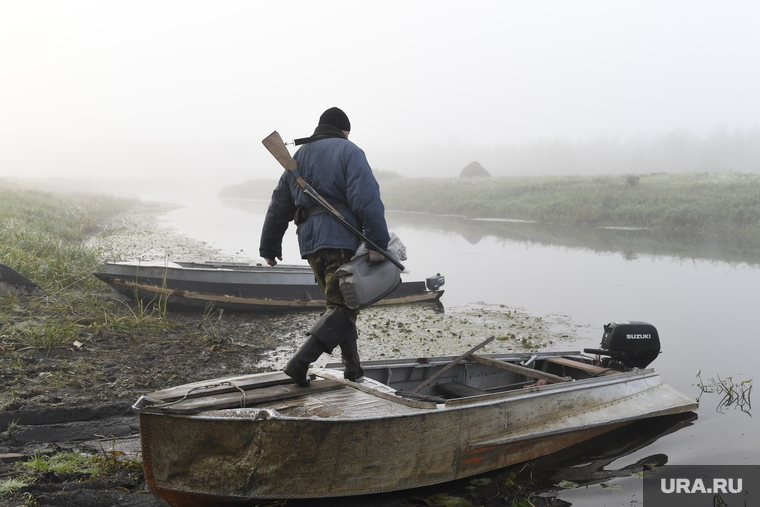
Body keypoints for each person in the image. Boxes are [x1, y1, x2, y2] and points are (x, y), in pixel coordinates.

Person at [259, 107, 390, 387]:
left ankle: (353, 370)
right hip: (341, 240)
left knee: (340, 304)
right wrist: (378, 242)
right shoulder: (349, 151)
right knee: (343, 308)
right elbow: (366, 199)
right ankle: (299, 363)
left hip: (310, 244)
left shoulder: (297, 158)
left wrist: (269, 246)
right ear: (345, 131)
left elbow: (279, 203)